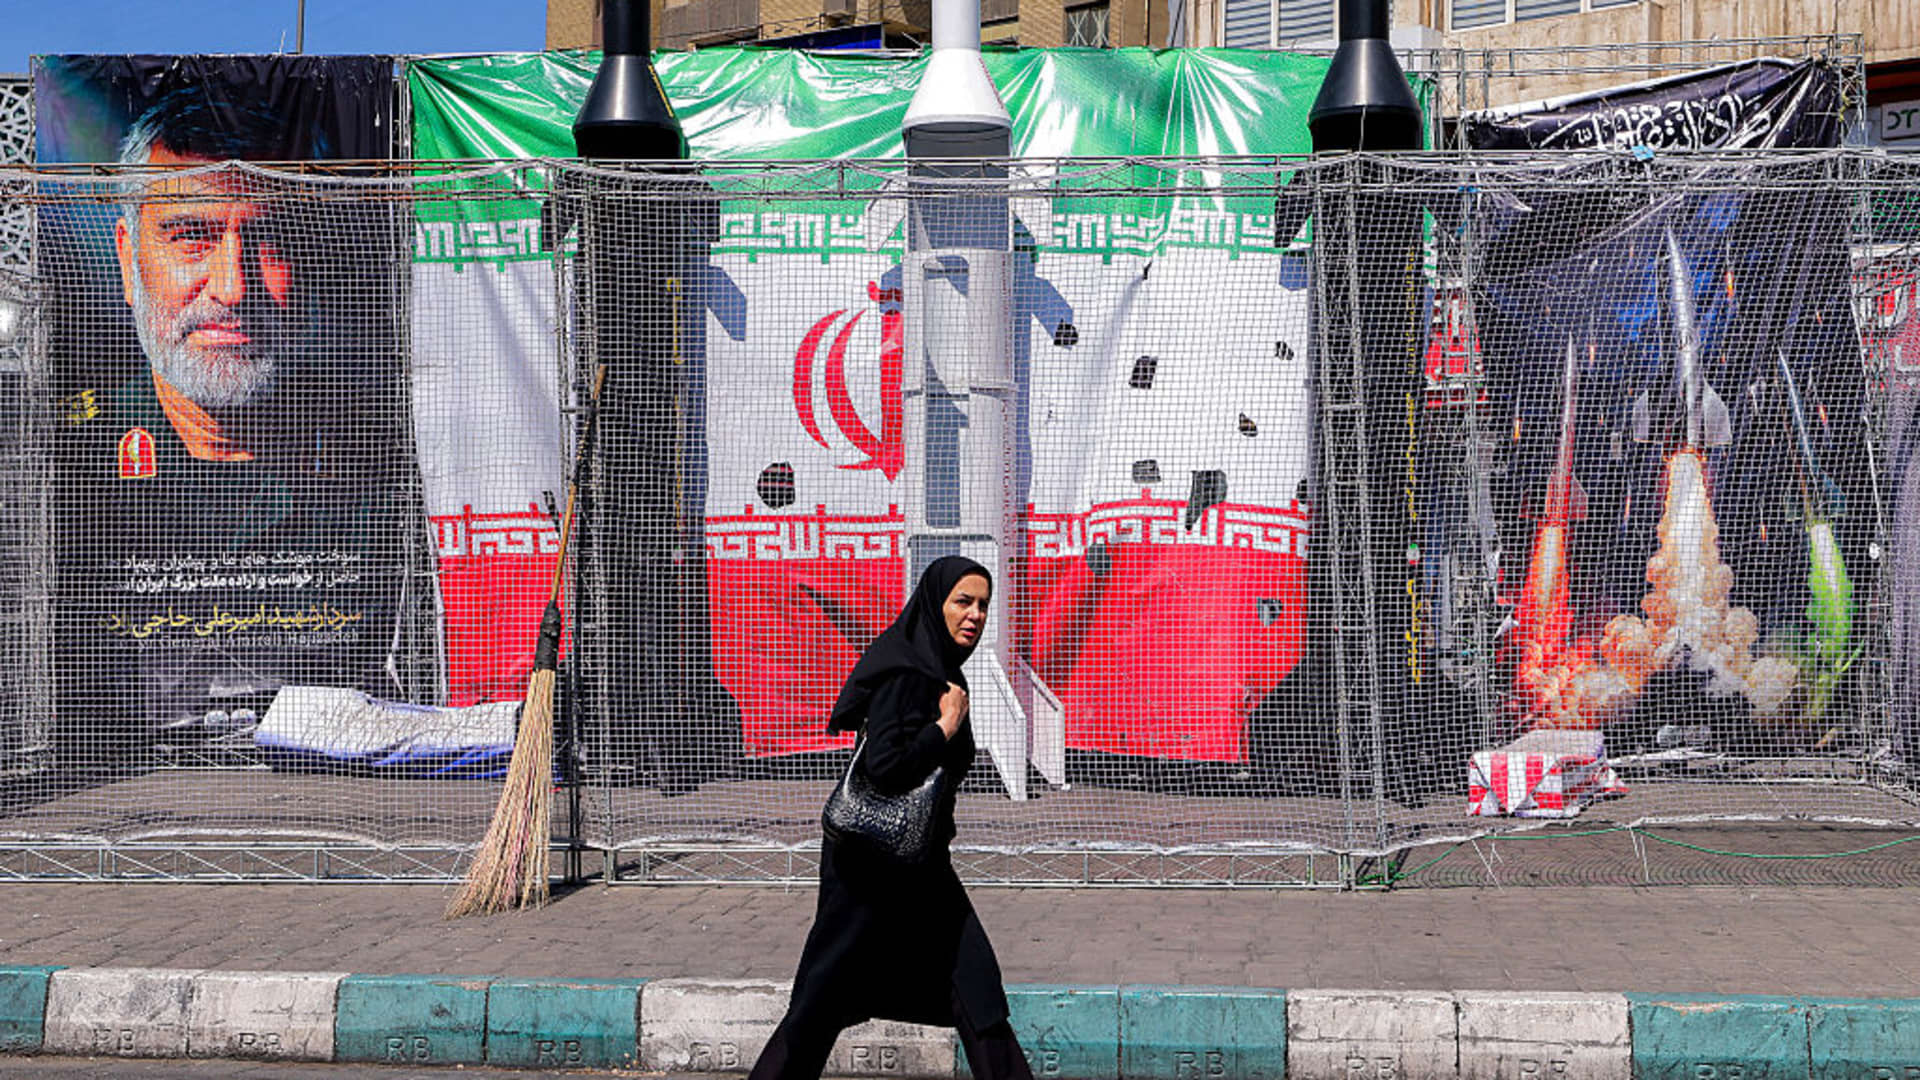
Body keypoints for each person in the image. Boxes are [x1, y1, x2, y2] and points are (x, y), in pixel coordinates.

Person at [54, 87, 413, 758]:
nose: (233, 287)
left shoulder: (388, 462)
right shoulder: (68, 463)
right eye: (191, 236)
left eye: (269, 240)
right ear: (129, 259)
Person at [749, 556, 1034, 1080]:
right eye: (963, 602)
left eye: (983, 605)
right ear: (935, 602)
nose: (975, 615)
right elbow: (884, 767)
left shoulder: (938, 668)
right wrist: (944, 728)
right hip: (868, 869)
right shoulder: (909, 672)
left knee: (974, 986)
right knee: (821, 1001)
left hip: (918, 863)